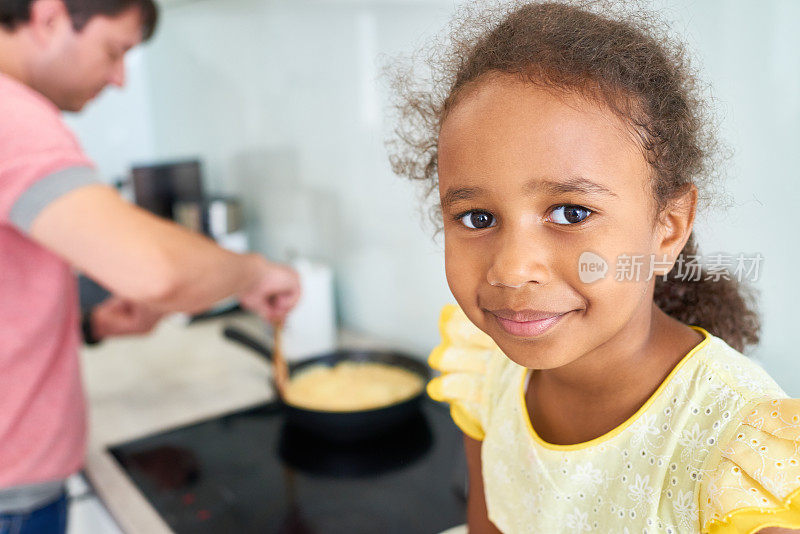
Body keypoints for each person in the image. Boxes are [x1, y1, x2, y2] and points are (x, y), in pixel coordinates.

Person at [391, 2, 799, 533]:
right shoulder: (489, 370)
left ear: (668, 228)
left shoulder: (732, 450)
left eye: (571, 212)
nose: (513, 271)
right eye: (477, 216)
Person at [0, 1, 300, 532]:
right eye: (113, 52)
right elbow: (159, 272)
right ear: (48, 18)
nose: (118, 80)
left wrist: (86, 325)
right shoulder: (14, 115)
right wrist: (255, 273)